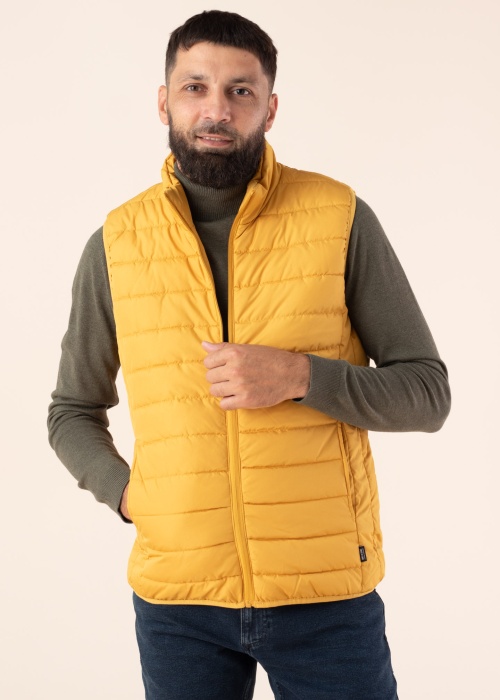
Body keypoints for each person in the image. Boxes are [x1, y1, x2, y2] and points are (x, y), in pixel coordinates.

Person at [48, 10, 451, 700]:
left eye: (240, 90)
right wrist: (129, 496)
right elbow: (71, 411)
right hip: (179, 602)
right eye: (195, 87)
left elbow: (427, 394)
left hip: (325, 594)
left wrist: (300, 376)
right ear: (163, 101)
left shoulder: (339, 217)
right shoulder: (115, 244)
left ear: (270, 107)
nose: (216, 109)